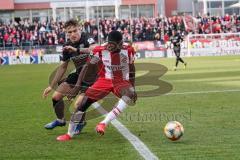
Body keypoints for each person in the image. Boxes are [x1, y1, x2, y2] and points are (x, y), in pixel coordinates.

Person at [56, 30, 137, 141]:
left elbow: (132, 69)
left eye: (116, 46)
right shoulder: (99, 50)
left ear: (121, 43)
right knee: (82, 104)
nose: (112, 48)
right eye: (110, 45)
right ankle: (69, 134)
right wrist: (77, 86)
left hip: (121, 80)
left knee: (129, 94)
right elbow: (87, 66)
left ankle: (103, 123)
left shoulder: (128, 50)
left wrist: (133, 87)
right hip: (104, 80)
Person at [42, 19, 96, 134]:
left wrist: (76, 50)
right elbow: (63, 67)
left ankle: (80, 123)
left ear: (80, 28)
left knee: (78, 104)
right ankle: (60, 120)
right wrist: (51, 86)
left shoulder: (87, 38)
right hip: (78, 74)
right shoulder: (67, 46)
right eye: (69, 32)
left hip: (92, 77)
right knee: (56, 97)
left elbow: (94, 49)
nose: (72, 34)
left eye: (74, 31)